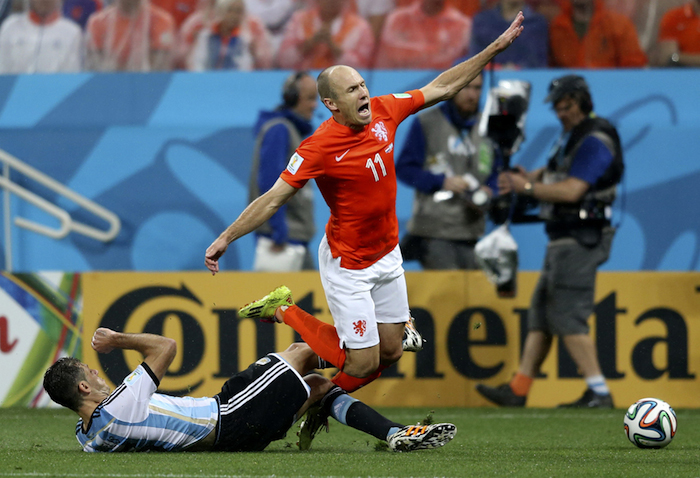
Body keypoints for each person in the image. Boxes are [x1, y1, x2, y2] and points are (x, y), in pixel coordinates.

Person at [205, 9, 523, 443]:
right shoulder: (318, 147)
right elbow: (273, 197)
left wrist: (493, 49)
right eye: (352, 89)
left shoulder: (385, 112)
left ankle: (321, 397)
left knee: (390, 352)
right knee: (362, 363)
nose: (364, 93)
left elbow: (443, 86)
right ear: (332, 104)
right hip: (348, 264)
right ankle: (284, 310)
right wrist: (226, 236)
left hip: (387, 254)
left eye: (362, 85)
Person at [43, 327, 457, 452]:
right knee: (300, 352)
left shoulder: (89, 436)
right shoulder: (120, 405)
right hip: (228, 414)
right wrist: (117, 340)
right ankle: (387, 344)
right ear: (84, 386)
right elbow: (166, 346)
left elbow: (90, 426)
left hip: (235, 438)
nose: (99, 373)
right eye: (91, 372)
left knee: (317, 386)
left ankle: (394, 434)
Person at [475, 74, 623, 409]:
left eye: (566, 106)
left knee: (568, 317)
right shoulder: (574, 137)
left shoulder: (595, 139)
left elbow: (572, 190)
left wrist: (525, 187)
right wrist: (527, 177)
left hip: (580, 239)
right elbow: (555, 171)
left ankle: (599, 391)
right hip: (563, 238)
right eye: (557, 108)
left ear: (582, 102)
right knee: (541, 315)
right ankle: (518, 390)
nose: (561, 113)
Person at [395, 73, 496, 270]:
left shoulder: (489, 126)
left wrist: (490, 190)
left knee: (472, 289)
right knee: (450, 287)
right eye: (466, 87)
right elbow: (405, 169)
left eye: (477, 88)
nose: (472, 95)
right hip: (434, 232)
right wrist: (440, 181)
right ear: (454, 87)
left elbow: (495, 173)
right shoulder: (427, 122)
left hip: (473, 231)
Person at [249, 71, 318, 271]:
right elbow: (270, 182)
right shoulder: (279, 129)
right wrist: (278, 230)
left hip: (293, 239)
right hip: (282, 241)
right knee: (275, 295)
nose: (315, 105)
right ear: (292, 98)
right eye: (310, 98)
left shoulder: (289, 130)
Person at [276, 0, 375, 70]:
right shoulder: (299, 20)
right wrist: (311, 42)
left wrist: (332, 46)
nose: (332, 1)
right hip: (304, 83)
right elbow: (283, 61)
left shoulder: (361, 26)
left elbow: (363, 67)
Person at [374, 0, 472, 69]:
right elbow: (389, 58)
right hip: (395, 85)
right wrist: (436, 51)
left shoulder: (462, 25)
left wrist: (411, 54)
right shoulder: (397, 19)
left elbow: (452, 65)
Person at [548, 0, 647, 68]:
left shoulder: (619, 24)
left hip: (610, 87)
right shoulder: (556, 27)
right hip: (572, 89)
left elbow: (634, 67)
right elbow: (550, 67)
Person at [85, 0, 176, 71]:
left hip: (148, 84)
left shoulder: (162, 21)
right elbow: (94, 64)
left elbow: (161, 64)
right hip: (110, 84)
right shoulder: (98, 22)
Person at [185, 0, 272, 71]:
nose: (235, 16)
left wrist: (255, 55)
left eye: (239, 11)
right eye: (230, 10)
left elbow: (246, 68)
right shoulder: (205, 36)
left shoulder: (246, 39)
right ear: (221, 11)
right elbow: (197, 64)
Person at [0, 0, 82, 74]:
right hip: (14, 84)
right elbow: (3, 68)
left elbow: (71, 75)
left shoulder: (72, 32)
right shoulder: (10, 26)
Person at [465, 0, 548, 69]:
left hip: (525, 78)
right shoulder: (482, 21)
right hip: (488, 78)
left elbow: (538, 62)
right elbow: (475, 59)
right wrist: (500, 68)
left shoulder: (537, 23)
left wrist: (515, 69)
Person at [651, 0, 700, 67]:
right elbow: (668, 56)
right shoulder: (675, 16)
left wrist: (678, 58)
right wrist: (675, 58)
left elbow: (674, 57)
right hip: (682, 71)